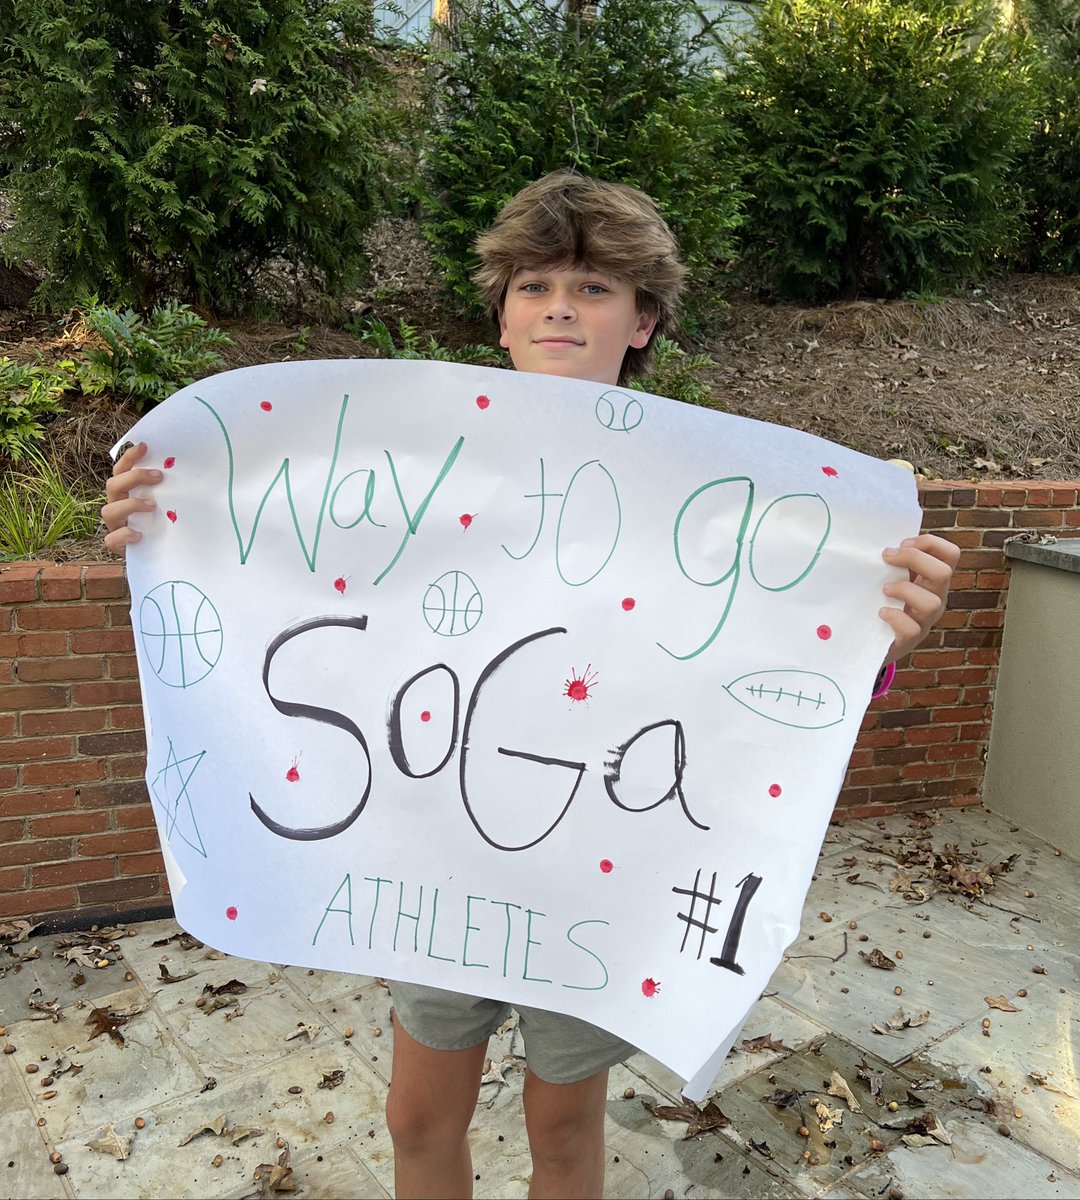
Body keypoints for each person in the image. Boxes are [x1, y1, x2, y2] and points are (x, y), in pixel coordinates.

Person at [101, 171, 960, 1199]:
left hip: (597, 872)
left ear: (643, 321)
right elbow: (294, 559)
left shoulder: (714, 495)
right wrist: (170, 520)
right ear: (501, 315)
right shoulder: (418, 463)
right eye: (535, 285)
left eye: (594, 288)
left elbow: (754, 667)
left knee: (562, 1123)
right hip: (436, 858)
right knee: (418, 1115)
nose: (560, 307)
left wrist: (877, 640)